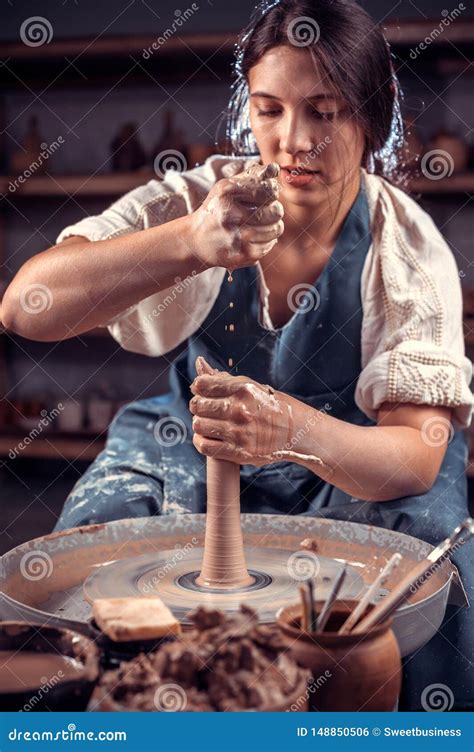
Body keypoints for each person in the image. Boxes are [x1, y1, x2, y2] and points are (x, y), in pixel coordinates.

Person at [2, 0, 472, 710]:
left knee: (423, 560)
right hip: (188, 438)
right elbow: (24, 307)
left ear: (373, 116)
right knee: (96, 541)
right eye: (270, 109)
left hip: (346, 455)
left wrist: (291, 431)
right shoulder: (199, 201)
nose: (294, 141)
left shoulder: (403, 247)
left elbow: (416, 454)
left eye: (325, 112)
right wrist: (188, 241)